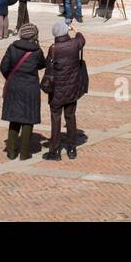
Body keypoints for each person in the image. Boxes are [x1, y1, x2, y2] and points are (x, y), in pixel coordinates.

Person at [0, 22, 47, 161]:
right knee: (28, 119)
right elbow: (42, 64)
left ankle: (11, 151)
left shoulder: (12, 47)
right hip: (30, 88)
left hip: (14, 86)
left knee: (14, 118)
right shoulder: (36, 51)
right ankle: (25, 153)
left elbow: (3, 66)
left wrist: (10, 77)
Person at [43, 19, 88, 161]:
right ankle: (72, 149)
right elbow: (82, 39)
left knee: (55, 120)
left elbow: (48, 67)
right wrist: (75, 29)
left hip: (56, 91)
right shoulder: (75, 44)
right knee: (70, 117)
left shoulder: (53, 48)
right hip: (72, 90)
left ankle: (55, 151)